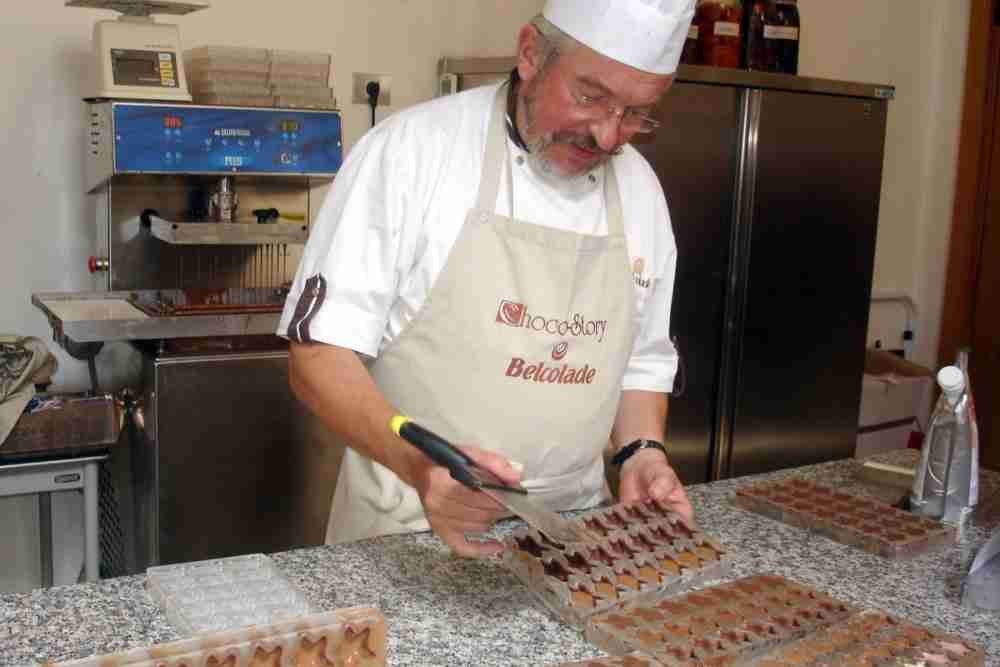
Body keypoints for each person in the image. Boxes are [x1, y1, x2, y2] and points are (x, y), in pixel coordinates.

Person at [279, 0, 697, 558]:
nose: (606, 135)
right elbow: (318, 358)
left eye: (635, 114)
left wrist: (642, 454)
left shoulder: (640, 189)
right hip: (405, 530)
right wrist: (419, 466)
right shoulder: (413, 152)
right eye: (590, 96)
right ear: (530, 53)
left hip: (573, 538)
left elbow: (642, 359)